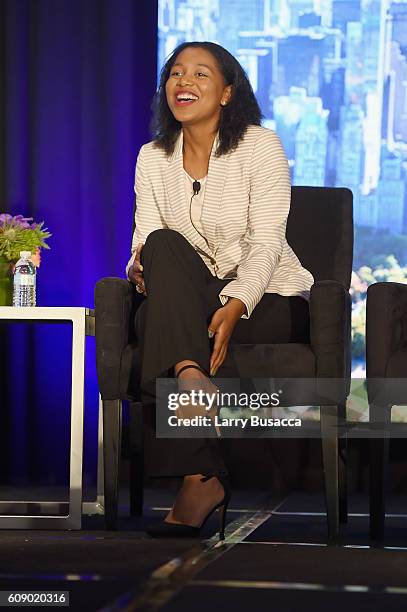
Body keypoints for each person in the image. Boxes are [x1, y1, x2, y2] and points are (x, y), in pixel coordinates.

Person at [126, 41, 314, 539]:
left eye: (201, 75)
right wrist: (141, 269)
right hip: (187, 294)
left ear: (228, 92)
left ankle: (200, 478)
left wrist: (237, 304)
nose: (183, 82)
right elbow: (144, 244)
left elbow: (268, 240)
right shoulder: (152, 157)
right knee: (161, 246)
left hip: (268, 296)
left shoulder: (259, 145)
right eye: (175, 73)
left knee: (153, 325)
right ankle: (191, 377)